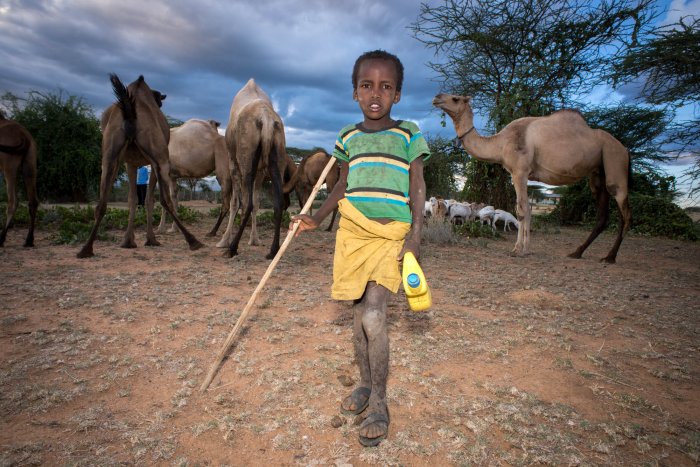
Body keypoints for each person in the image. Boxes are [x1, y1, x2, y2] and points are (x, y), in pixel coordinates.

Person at [291, 50, 430, 446]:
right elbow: (341, 184)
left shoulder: (409, 134)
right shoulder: (348, 137)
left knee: (374, 314)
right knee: (357, 317)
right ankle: (367, 384)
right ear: (354, 92)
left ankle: (381, 404)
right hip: (352, 232)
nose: (375, 93)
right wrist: (317, 218)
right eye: (367, 85)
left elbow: (417, 186)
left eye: (386, 87)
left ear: (398, 95)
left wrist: (416, 236)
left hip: (390, 236)